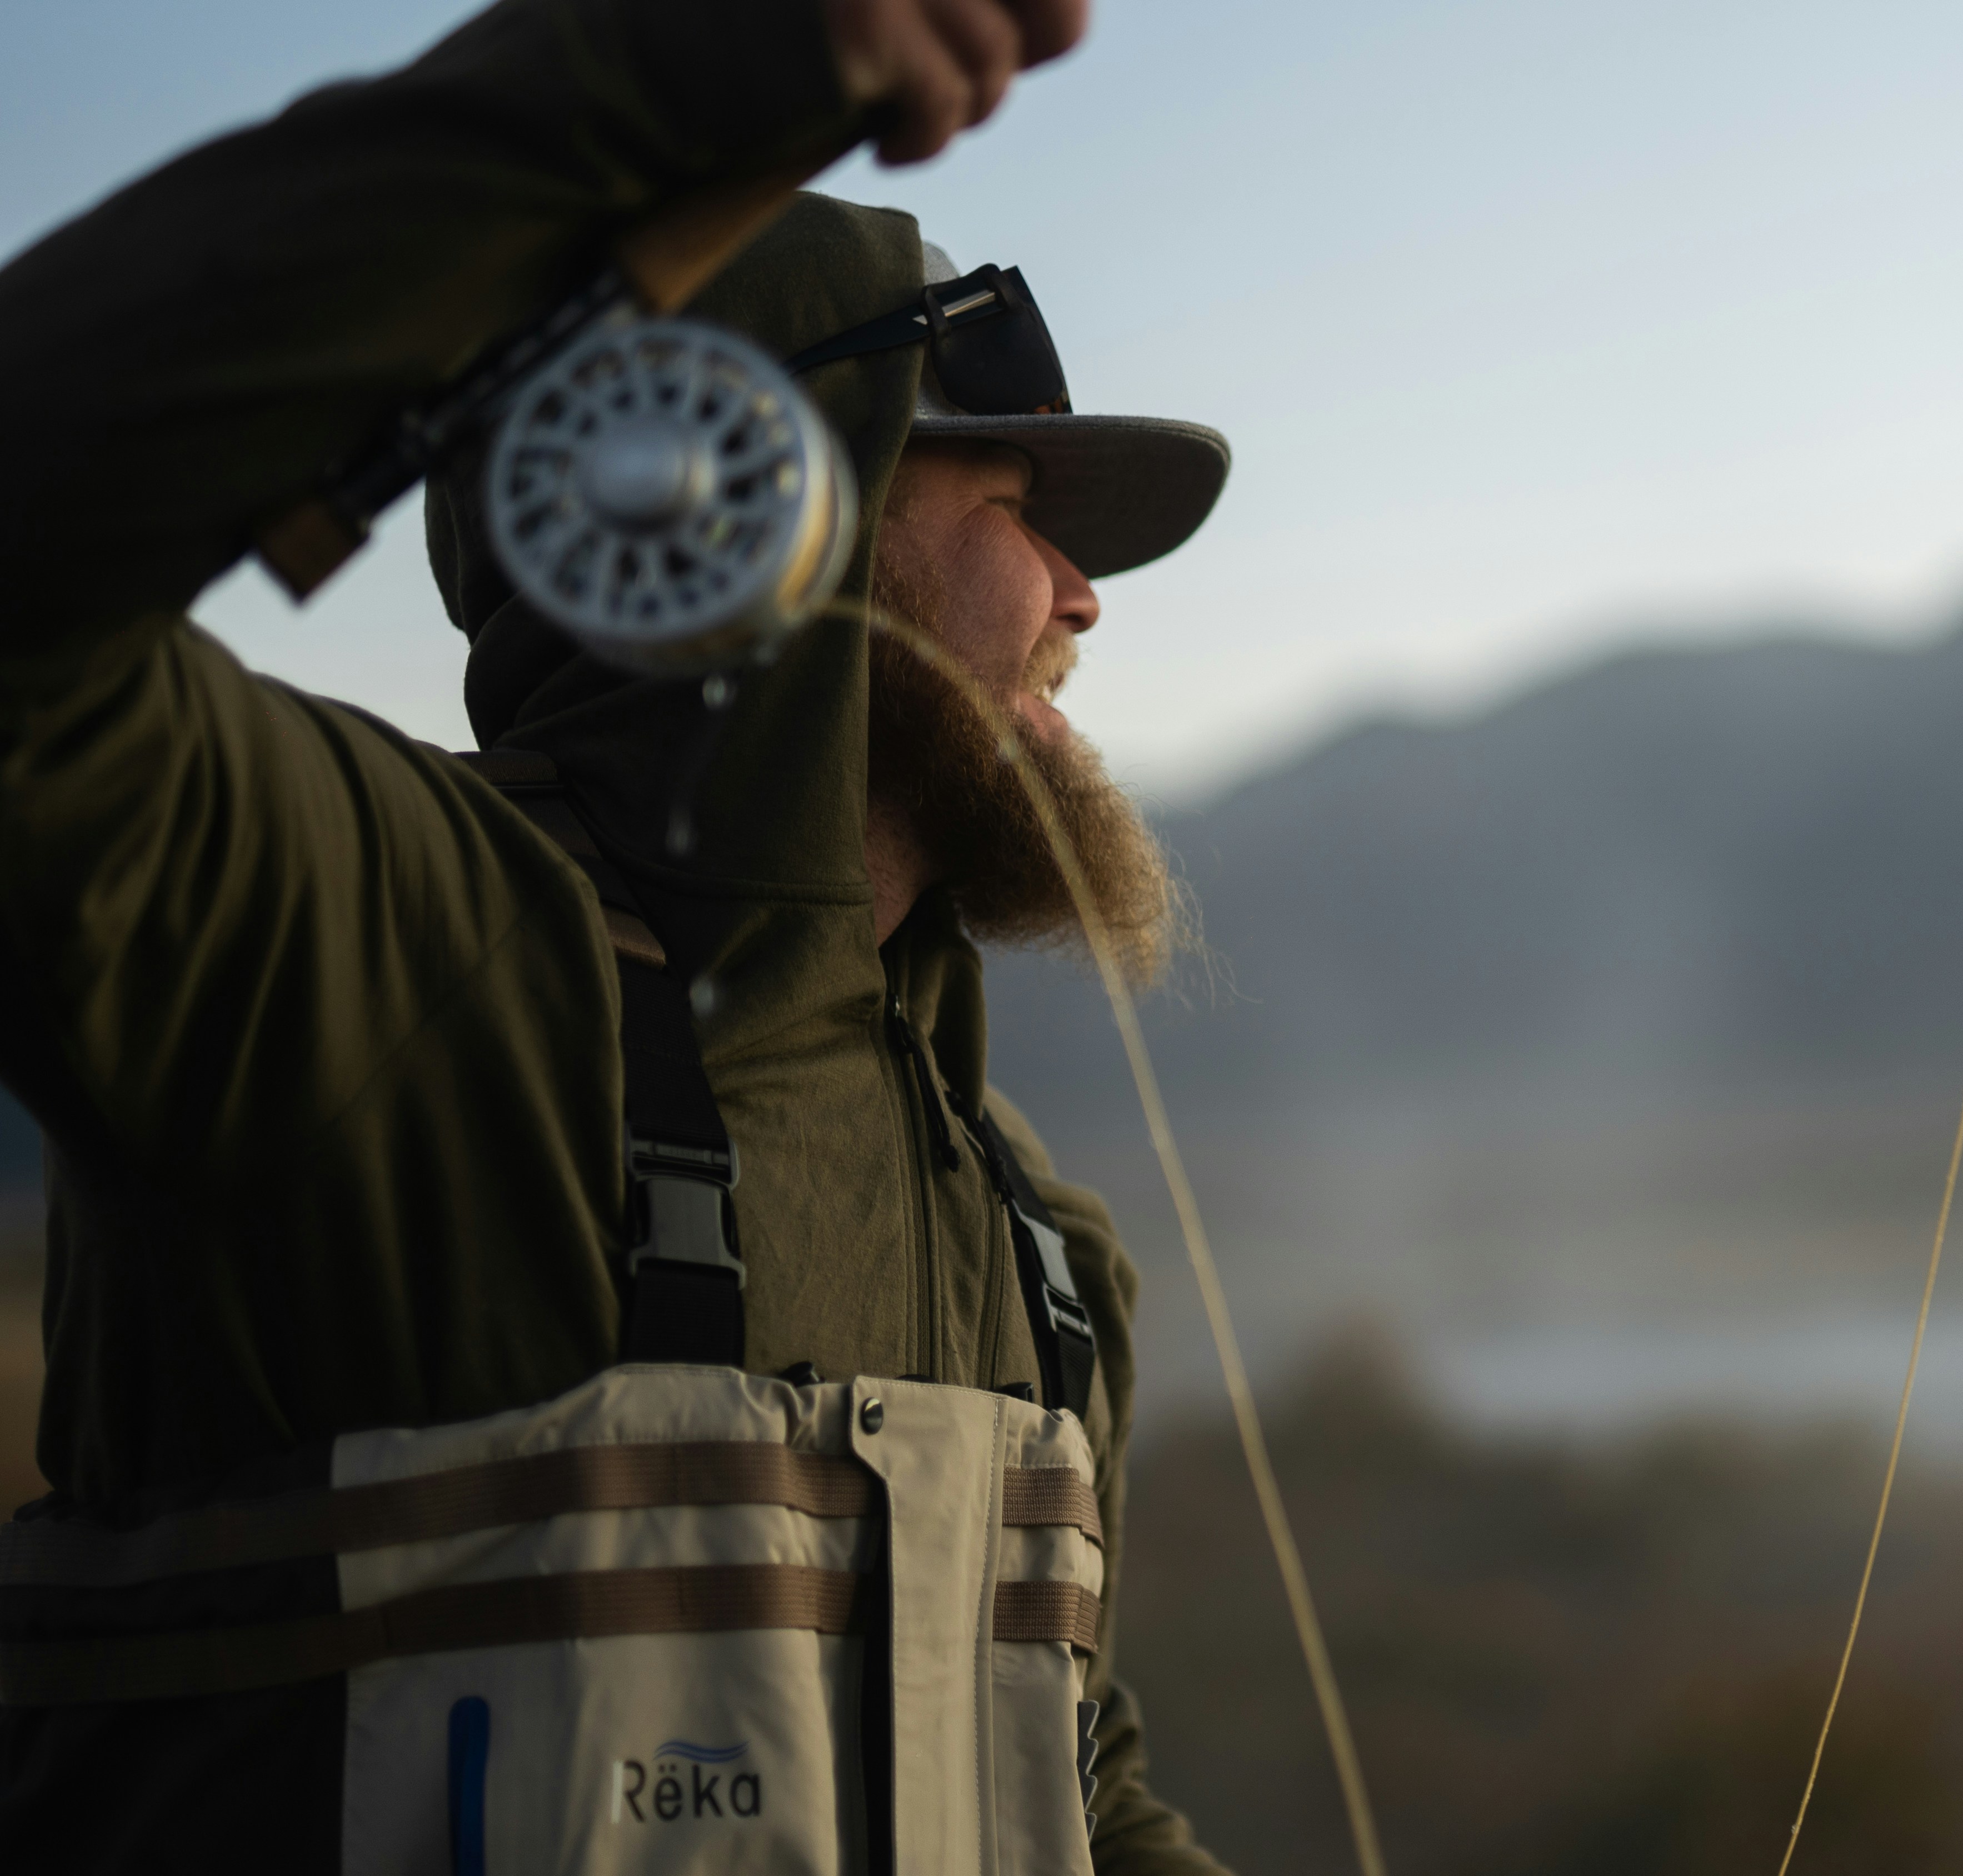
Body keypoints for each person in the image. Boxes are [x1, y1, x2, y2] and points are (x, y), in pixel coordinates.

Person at [0, 1, 1236, 1868]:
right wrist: (648, 71)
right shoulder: (374, 957)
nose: (1083, 597)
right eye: (1015, 500)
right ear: (752, 501)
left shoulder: (1042, 1250)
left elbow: (1075, 1782)